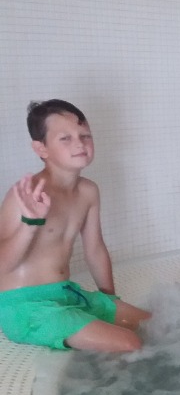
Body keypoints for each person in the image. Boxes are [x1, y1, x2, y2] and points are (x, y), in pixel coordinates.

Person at [0, 100, 149, 352]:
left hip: (67, 294)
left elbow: (95, 249)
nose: (80, 144)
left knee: (157, 324)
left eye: (85, 135)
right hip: (25, 306)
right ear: (41, 148)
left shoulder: (88, 191)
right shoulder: (26, 195)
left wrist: (108, 300)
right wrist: (30, 224)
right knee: (130, 343)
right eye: (65, 138)